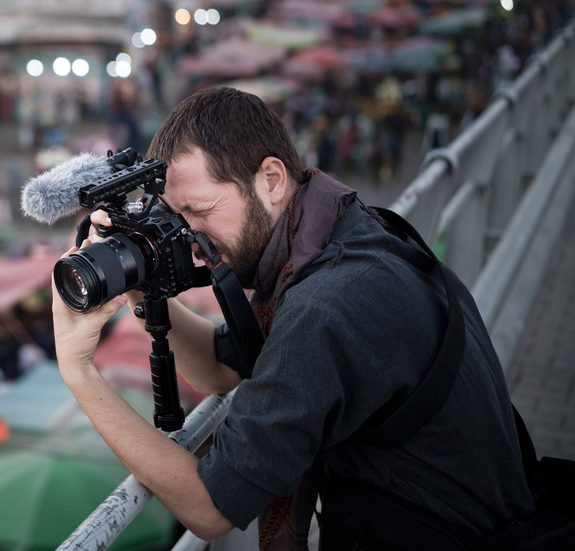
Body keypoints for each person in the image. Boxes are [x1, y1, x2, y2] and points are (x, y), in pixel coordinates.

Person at [50, 86, 534, 548]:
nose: (189, 239)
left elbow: (210, 507)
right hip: (489, 517)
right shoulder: (347, 230)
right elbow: (219, 369)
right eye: (176, 220)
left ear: (272, 179)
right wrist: (140, 278)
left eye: (200, 211)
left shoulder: (323, 304)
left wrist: (78, 372)